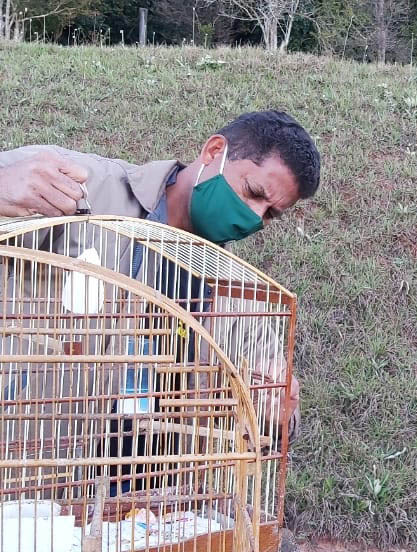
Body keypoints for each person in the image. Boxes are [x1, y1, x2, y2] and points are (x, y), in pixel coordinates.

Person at [0, 109, 321, 443]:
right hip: (40, 467)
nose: (255, 217)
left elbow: (278, 424)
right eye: (254, 192)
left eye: (270, 214)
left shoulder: (234, 289)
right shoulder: (82, 186)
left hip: (151, 485)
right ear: (214, 153)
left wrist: (278, 413)